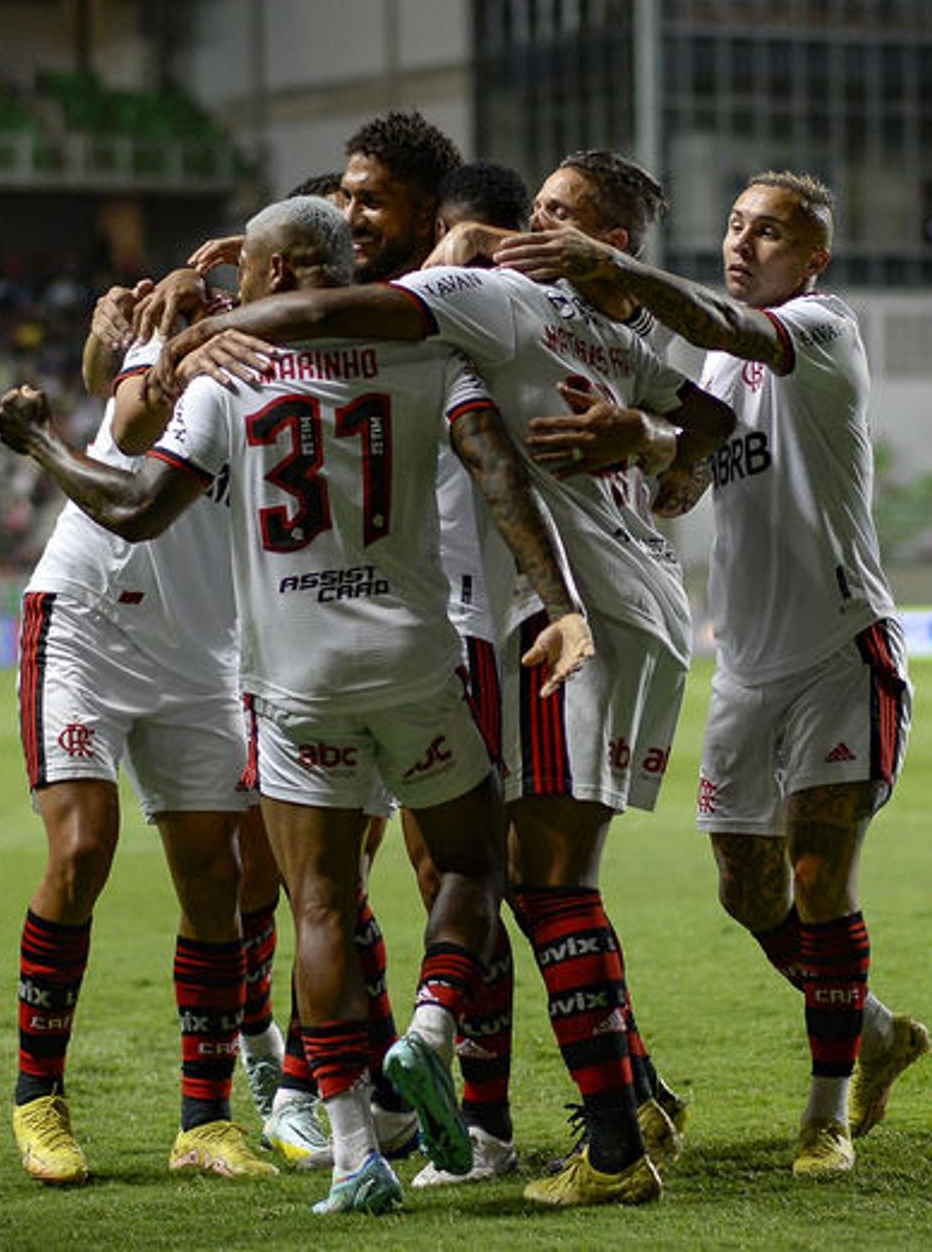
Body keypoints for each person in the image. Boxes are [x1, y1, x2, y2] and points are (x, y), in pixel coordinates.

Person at [0, 195, 594, 1215]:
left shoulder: (230, 360)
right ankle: (417, 1038)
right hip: (237, 632)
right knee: (457, 863)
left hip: (263, 661)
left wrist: (60, 425)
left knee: (276, 892)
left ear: (270, 274)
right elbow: (495, 466)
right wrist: (565, 602)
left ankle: (284, 1131)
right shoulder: (409, 348)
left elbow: (140, 486)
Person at [163, 150, 736, 1207]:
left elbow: (340, 306)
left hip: (570, 609)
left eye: (561, 214)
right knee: (523, 876)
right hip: (603, 607)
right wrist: (655, 441)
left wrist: (201, 330)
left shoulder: (491, 296)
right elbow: (712, 426)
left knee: (540, 880)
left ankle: (601, 1145)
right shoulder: (603, 329)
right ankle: (616, 1100)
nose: (536, 222)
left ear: (605, 246)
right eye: (539, 206)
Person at [493, 169, 932, 1177]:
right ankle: (872, 1029)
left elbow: (728, 327)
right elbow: (687, 479)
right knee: (746, 887)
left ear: (811, 257)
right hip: (745, 664)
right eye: (735, 226)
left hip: (838, 646)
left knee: (821, 880)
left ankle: (825, 1117)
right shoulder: (711, 363)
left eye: (770, 232)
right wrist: (642, 445)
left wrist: (610, 266)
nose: (744, 244)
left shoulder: (821, 328)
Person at [3, 293, 276, 1187]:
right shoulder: (194, 331)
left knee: (217, 882)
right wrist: (159, 350)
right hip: (86, 618)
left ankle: (205, 1122)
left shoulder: (320, 368)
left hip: (202, 648)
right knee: (81, 851)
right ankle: (38, 1097)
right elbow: (123, 412)